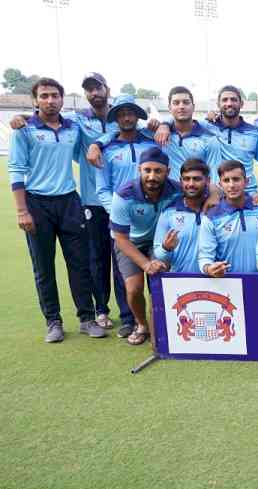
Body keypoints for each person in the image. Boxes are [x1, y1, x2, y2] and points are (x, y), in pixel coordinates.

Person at [9, 72, 132, 331]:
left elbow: (110, 138)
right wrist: (22, 211)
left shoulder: (74, 127)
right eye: (44, 96)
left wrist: (97, 145)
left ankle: (89, 318)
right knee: (48, 266)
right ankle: (55, 321)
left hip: (73, 202)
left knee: (82, 264)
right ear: (35, 100)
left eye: (55, 96)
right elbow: (16, 169)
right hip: (48, 202)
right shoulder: (33, 128)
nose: (50, 100)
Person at [109, 147, 182, 345]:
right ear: (139, 169)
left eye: (158, 171)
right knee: (133, 289)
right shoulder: (124, 195)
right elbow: (121, 238)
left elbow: (209, 188)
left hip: (159, 243)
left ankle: (166, 326)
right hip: (130, 243)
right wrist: (145, 264)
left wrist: (211, 195)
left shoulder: (176, 189)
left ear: (167, 172)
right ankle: (142, 324)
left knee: (160, 283)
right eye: (147, 170)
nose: (152, 176)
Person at [90, 86, 222, 182]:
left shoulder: (209, 139)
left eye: (186, 102)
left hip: (198, 200)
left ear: (193, 106)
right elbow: (124, 132)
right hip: (166, 202)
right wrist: (96, 144)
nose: (181, 106)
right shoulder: (154, 133)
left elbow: (214, 175)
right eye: (176, 103)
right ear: (169, 108)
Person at [156, 85, 258, 197]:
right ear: (218, 104)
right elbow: (183, 118)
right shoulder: (209, 126)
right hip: (222, 191)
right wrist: (165, 124)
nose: (229, 103)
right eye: (225, 100)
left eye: (233, 100)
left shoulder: (254, 132)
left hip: (249, 192)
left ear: (241, 104)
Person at [198, 160, 258, 276]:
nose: (231, 185)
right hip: (229, 286)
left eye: (236, 179)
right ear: (220, 184)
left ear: (246, 182)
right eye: (226, 180)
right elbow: (205, 257)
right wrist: (209, 268)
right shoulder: (211, 217)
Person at [153, 159, 211, 273]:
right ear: (180, 181)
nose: (191, 184)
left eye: (197, 179)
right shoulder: (169, 212)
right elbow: (158, 254)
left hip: (215, 280)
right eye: (186, 179)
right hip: (180, 283)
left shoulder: (218, 209)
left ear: (208, 181)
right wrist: (165, 248)